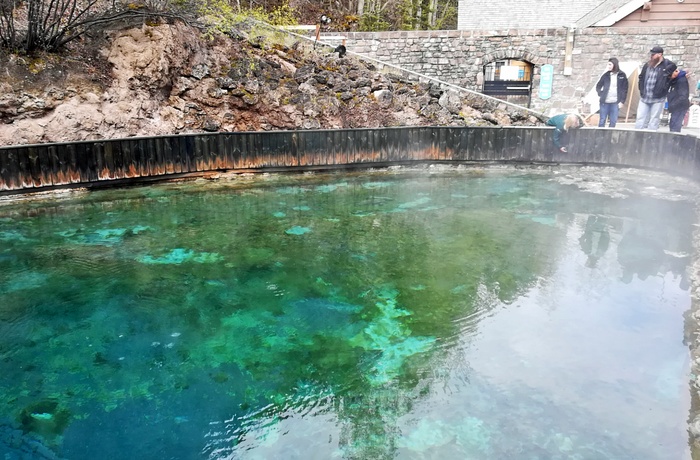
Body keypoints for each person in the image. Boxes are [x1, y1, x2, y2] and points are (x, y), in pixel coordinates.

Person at [635, 46, 677, 130]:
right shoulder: (647, 65)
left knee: (654, 119)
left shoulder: (666, 64)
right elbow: (641, 77)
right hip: (645, 97)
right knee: (640, 118)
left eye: (653, 54)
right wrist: (641, 89)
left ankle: (651, 139)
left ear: (660, 54)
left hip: (658, 98)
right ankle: (638, 137)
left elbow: (674, 67)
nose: (651, 56)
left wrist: (667, 75)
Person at [596, 57, 628, 128]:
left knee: (613, 121)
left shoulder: (622, 75)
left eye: (610, 64)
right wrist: (600, 93)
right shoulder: (606, 75)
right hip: (605, 102)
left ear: (614, 64)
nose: (608, 66)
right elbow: (598, 86)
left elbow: (624, 89)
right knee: (602, 120)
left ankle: (609, 136)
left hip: (615, 102)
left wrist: (622, 101)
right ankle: (600, 136)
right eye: (608, 64)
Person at [667, 68, 690, 133]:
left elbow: (683, 96)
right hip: (675, 105)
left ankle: (674, 141)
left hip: (679, 106)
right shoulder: (674, 80)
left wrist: (673, 104)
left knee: (675, 125)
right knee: (673, 124)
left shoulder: (681, 81)